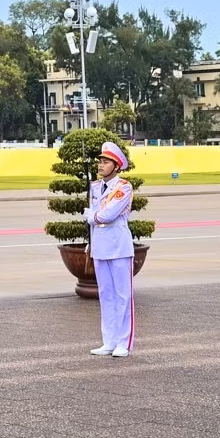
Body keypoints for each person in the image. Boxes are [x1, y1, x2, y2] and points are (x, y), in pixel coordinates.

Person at [87, 141, 137, 359]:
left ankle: (123, 342)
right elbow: (97, 217)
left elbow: (105, 215)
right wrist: (91, 240)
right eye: (100, 161)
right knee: (106, 295)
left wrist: (90, 215)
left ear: (116, 166)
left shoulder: (123, 187)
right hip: (100, 245)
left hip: (118, 245)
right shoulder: (95, 187)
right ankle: (109, 341)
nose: (100, 164)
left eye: (105, 161)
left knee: (123, 296)